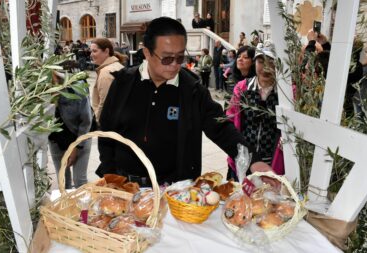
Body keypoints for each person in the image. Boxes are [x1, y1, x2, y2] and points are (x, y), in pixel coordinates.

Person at [97, 17, 271, 186]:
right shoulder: (123, 83)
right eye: (167, 58)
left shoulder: (192, 90)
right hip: (125, 185)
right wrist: (109, 174)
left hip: (174, 190)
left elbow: (221, 128)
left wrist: (252, 160)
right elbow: (106, 131)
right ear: (147, 53)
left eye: (180, 58)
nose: (174, 65)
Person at [226, 46, 280, 180]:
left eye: (271, 62)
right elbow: (230, 120)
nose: (266, 67)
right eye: (261, 61)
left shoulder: (286, 94)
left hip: (272, 162)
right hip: (244, 159)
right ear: (254, 63)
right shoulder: (242, 88)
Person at [48, 71, 93, 189]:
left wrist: (77, 147)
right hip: (56, 140)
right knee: (63, 182)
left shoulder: (76, 87)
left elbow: (86, 121)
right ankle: (68, 207)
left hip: (80, 136)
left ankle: (83, 208)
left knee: (80, 182)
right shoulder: (40, 93)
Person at [90, 38, 126, 122]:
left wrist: (98, 121)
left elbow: (105, 103)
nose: (91, 54)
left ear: (106, 51)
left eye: (94, 51)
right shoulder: (117, 65)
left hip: (110, 123)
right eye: (91, 51)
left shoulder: (106, 72)